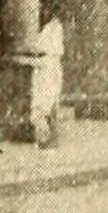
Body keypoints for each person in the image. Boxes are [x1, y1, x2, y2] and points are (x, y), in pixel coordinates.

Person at [31, 15, 65, 148]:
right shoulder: (54, 27)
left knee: (44, 104)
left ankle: (46, 139)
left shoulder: (52, 28)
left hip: (47, 67)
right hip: (48, 66)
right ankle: (48, 138)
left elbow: (43, 49)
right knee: (48, 103)